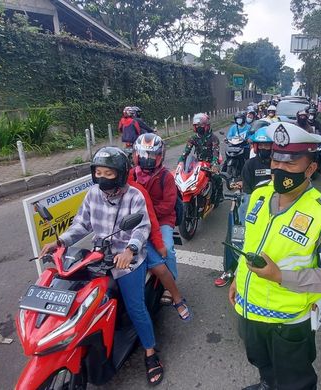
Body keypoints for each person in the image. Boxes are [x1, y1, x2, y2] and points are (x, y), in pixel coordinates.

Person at [229, 122, 321, 390]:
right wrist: (238, 278)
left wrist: (280, 276)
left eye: (291, 163)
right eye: (276, 159)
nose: (279, 169)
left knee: (295, 380)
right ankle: (267, 384)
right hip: (250, 307)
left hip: (289, 321)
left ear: (310, 169)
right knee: (261, 360)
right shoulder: (260, 195)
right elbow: (251, 241)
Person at [40, 147, 165, 386]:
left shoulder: (134, 196)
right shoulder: (92, 194)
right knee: (80, 300)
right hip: (98, 257)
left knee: (136, 307)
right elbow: (81, 225)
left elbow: (141, 228)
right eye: (98, 172)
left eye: (108, 173)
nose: (102, 178)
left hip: (127, 260)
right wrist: (60, 242)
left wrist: (130, 250)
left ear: (119, 174)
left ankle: (150, 352)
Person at [131, 133, 192, 321]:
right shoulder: (132, 174)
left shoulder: (166, 176)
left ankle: (170, 284)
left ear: (159, 156)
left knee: (168, 249)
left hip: (163, 219)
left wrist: (144, 212)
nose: (146, 159)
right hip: (138, 219)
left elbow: (168, 205)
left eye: (150, 155)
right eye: (142, 155)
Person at [213, 127, 273, 287]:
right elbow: (247, 191)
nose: (265, 149)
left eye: (268, 145)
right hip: (252, 209)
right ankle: (229, 270)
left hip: (274, 211)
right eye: (262, 146)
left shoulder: (279, 164)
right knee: (234, 234)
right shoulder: (250, 164)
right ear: (256, 147)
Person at [178, 113, 223, 207]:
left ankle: (219, 195)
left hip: (210, 163)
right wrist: (181, 162)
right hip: (198, 163)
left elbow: (215, 152)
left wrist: (214, 164)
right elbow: (186, 151)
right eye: (197, 125)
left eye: (201, 125)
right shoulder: (193, 138)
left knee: (217, 178)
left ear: (207, 125)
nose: (199, 127)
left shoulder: (213, 138)